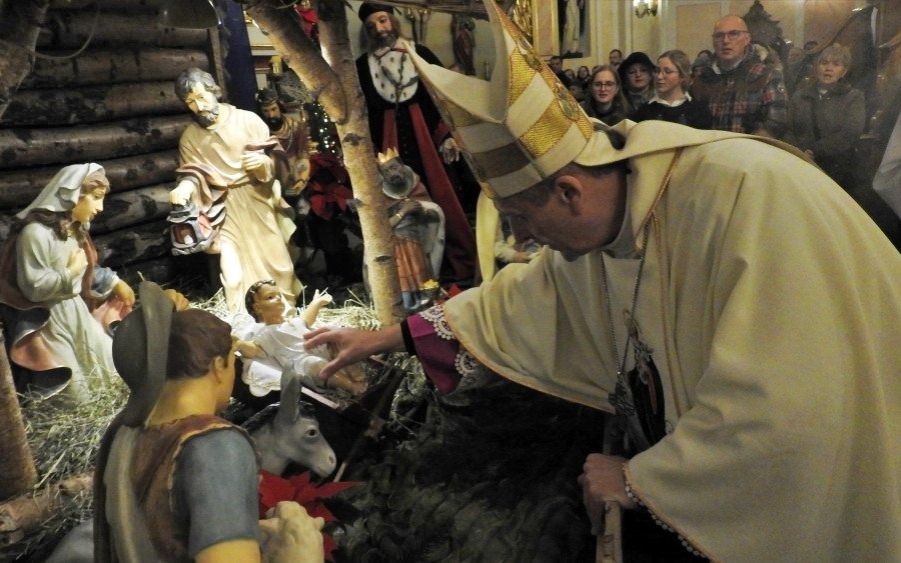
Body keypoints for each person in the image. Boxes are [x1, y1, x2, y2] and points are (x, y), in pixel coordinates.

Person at [303, 1, 901, 560]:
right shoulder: (612, 212)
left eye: (521, 220)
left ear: (568, 191)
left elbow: (790, 399)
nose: (526, 241)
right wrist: (386, 338)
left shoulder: (744, 194)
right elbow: (523, 297)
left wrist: (644, 480)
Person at [94, 281, 324, 562]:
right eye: (231, 362)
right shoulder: (216, 446)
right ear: (218, 367)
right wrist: (300, 550)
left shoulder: (123, 432)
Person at [355, 3, 477, 283]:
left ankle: (457, 261)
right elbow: (364, 112)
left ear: (393, 20)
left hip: (425, 134)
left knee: (441, 193)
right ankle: (411, 269)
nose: (379, 29)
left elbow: (441, 94)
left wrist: (446, 135)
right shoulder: (362, 66)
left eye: (383, 21)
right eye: (371, 26)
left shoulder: (420, 53)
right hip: (389, 142)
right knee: (397, 201)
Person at [168, 67, 302, 314]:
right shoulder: (190, 137)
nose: (199, 107)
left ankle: (285, 315)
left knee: (280, 265)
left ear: (214, 91)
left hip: (257, 199)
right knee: (233, 276)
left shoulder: (247, 120)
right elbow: (192, 173)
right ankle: (243, 320)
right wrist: (185, 186)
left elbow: (276, 159)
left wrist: (263, 164)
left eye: (202, 97)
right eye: (190, 102)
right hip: (222, 210)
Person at [0, 163, 135, 401]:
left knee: (116, 375)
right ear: (73, 195)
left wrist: (113, 282)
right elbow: (33, 288)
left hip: (76, 311)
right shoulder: (35, 234)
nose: (100, 208)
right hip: (49, 320)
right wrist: (69, 272)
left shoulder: (75, 231)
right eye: (96, 198)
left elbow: (87, 272)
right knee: (76, 398)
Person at [235, 280, 367, 396]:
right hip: (304, 362)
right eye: (270, 297)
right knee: (316, 364)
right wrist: (240, 344)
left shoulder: (293, 321)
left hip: (319, 349)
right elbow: (255, 350)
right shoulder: (267, 333)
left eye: (279, 295)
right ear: (258, 308)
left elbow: (306, 319)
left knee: (335, 341)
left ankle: (357, 375)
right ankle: (350, 386)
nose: (278, 298)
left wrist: (317, 302)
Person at [691, 14, 788, 137]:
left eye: (733, 34)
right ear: (713, 41)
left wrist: (747, 144)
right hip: (710, 146)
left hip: (750, 146)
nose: (725, 41)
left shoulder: (766, 75)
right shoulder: (703, 78)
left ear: (747, 39)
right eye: (719, 36)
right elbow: (692, 122)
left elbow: (776, 122)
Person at [784, 43, 866, 188]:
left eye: (836, 64)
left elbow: (851, 132)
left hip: (838, 170)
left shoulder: (853, 98)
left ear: (844, 71)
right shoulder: (800, 96)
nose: (829, 68)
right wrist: (800, 151)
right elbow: (788, 129)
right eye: (824, 63)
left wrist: (815, 150)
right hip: (801, 165)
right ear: (816, 68)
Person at [377, 148, 444, 311]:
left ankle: (426, 307)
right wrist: (403, 212)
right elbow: (380, 229)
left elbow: (430, 217)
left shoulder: (416, 188)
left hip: (416, 245)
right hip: (397, 248)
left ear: (402, 167)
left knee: (422, 279)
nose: (391, 174)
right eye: (386, 172)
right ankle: (408, 310)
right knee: (405, 284)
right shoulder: (381, 198)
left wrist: (422, 211)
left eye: (393, 168)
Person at [630, 50, 713, 129]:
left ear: (682, 76)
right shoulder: (644, 111)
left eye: (667, 71)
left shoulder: (699, 111)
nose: (659, 76)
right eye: (657, 71)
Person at [256, 87, 312, 195]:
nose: (271, 115)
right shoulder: (260, 133)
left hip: (296, 178)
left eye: (274, 109)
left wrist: (301, 180)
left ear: (280, 107)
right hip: (272, 184)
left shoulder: (296, 127)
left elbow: (304, 157)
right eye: (266, 111)